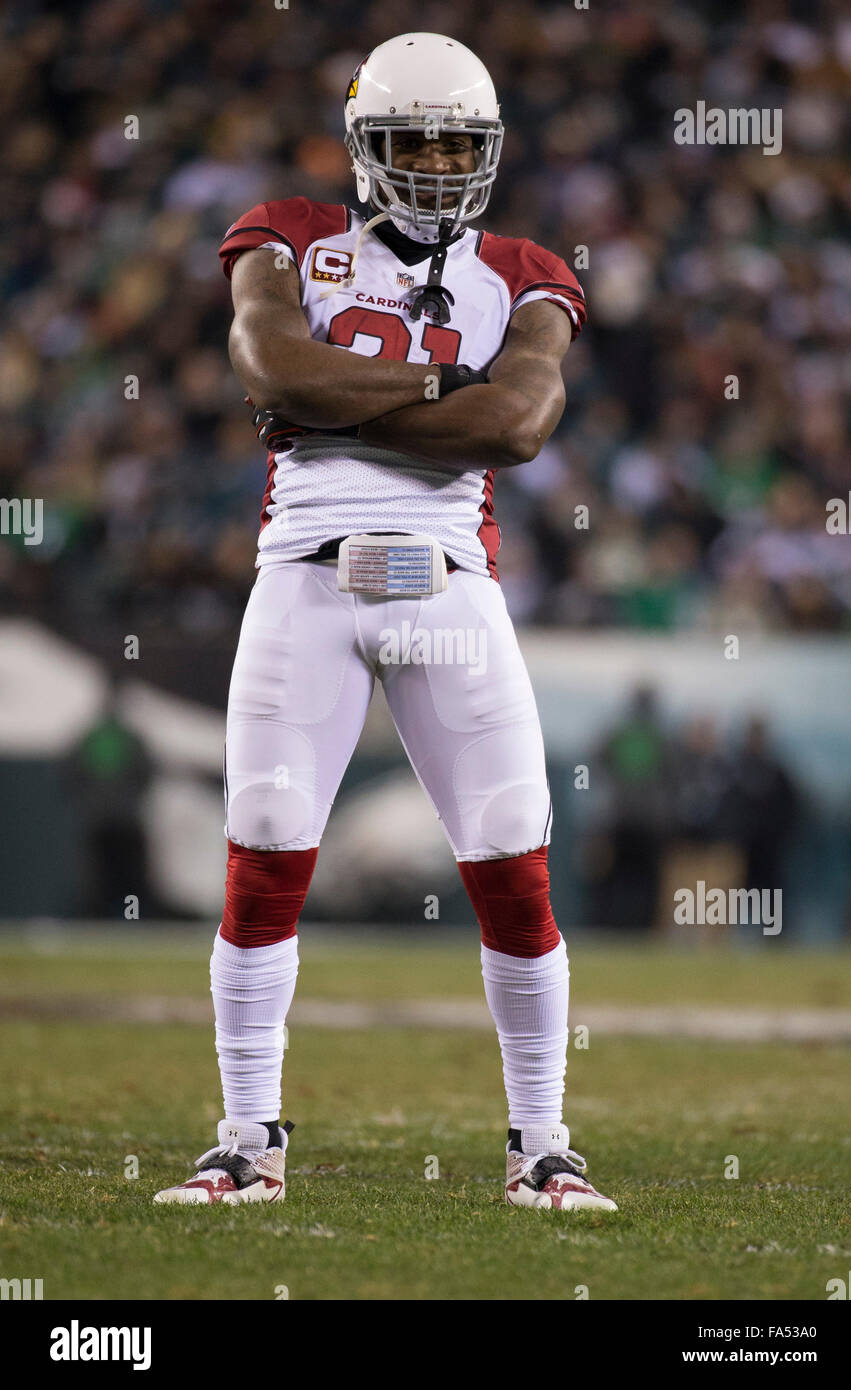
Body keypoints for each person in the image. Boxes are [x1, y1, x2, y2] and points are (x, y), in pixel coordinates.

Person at [154, 32, 615, 1213]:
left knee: (514, 852)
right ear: (366, 145)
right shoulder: (291, 232)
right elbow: (272, 367)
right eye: (412, 138)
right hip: (306, 575)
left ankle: (544, 1145)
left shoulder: (525, 266)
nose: (436, 160)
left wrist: (342, 401)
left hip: (453, 585)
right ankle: (247, 1139)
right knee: (262, 843)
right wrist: (441, 391)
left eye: (457, 140)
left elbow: (516, 428)